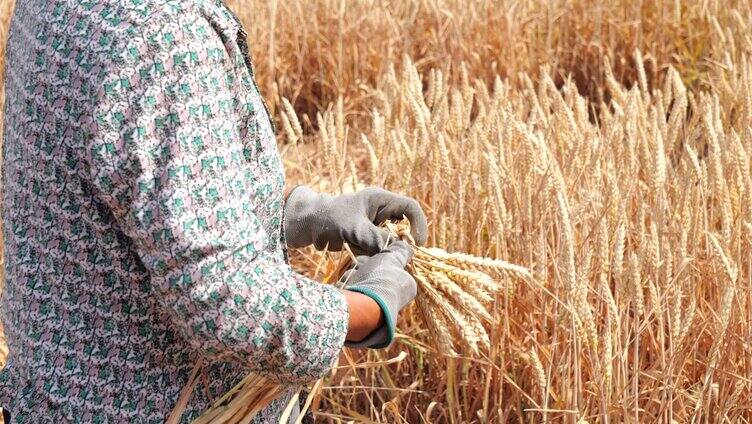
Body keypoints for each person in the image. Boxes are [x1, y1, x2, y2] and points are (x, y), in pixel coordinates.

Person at [0, 0, 427, 422]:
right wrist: (367, 308)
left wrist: (294, 216)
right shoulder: (165, 38)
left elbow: (122, 197)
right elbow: (229, 305)